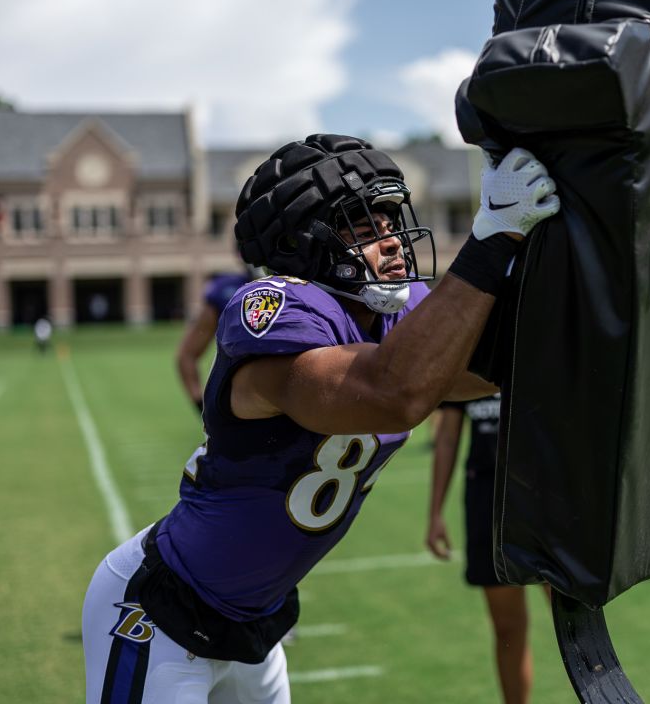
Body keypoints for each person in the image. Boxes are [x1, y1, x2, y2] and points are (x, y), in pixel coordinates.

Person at [82, 134, 560, 703]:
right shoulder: (277, 309)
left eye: (391, 221)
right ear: (301, 243)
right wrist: (489, 239)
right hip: (164, 613)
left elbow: (478, 369)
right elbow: (395, 392)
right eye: (365, 228)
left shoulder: (397, 316)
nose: (393, 242)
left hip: (256, 622)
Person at [427, 394, 544, 704]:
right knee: (507, 628)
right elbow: (448, 438)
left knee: (574, 622)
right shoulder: (468, 353)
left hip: (544, 500)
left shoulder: (546, 348)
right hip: (486, 500)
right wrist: (435, 513)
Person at [175, 264, 265, 414]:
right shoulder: (229, 290)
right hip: (245, 405)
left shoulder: (306, 288)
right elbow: (187, 355)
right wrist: (202, 406)